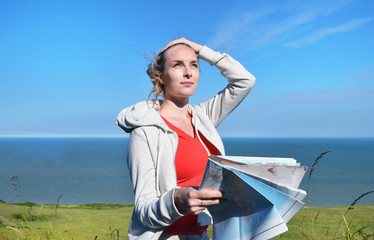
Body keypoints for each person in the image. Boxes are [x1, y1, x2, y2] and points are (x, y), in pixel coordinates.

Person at [116, 38, 256, 240]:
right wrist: (177, 199)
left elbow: (245, 81)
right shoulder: (144, 131)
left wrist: (201, 50)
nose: (188, 72)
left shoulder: (203, 117)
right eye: (177, 65)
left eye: (194, 65)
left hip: (202, 235)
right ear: (161, 77)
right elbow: (144, 212)